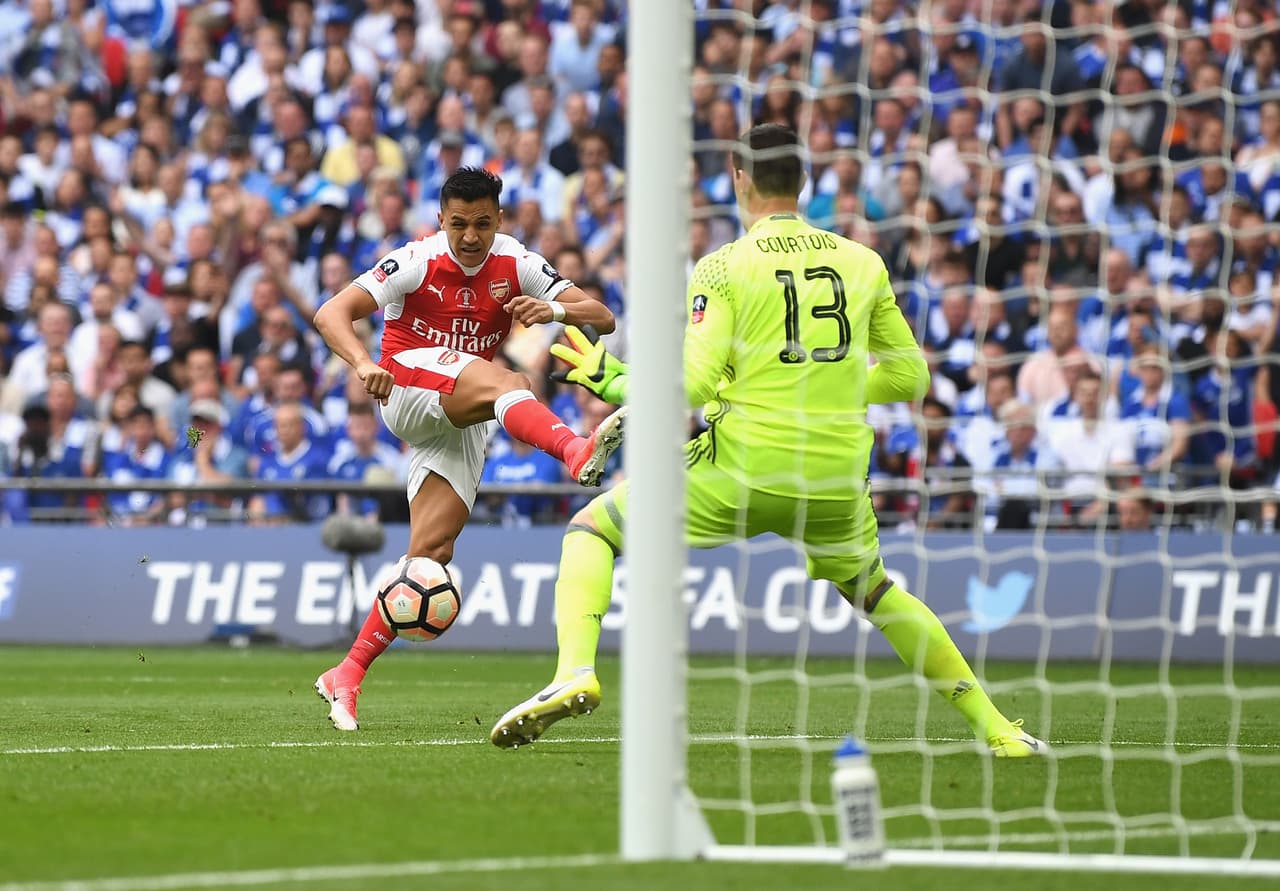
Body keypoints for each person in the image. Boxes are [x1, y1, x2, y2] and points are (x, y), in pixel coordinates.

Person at [490, 125, 1044, 757]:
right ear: (803, 182)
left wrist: (615, 381)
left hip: (744, 470)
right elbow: (911, 375)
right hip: (835, 477)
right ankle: (999, 731)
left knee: (593, 529)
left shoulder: (724, 267)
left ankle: (574, 673)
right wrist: (820, 383)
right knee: (879, 593)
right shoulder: (863, 262)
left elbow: (693, 385)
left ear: (738, 178)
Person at [312, 167, 625, 731]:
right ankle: (576, 451)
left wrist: (552, 310)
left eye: (482, 223)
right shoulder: (416, 259)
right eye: (459, 224)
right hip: (406, 384)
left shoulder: (517, 262)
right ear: (441, 220)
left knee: (429, 559)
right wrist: (361, 364)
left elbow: (601, 316)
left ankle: (347, 672)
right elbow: (330, 313)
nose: (471, 236)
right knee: (512, 383)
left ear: (499, 219)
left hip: (463, 413)